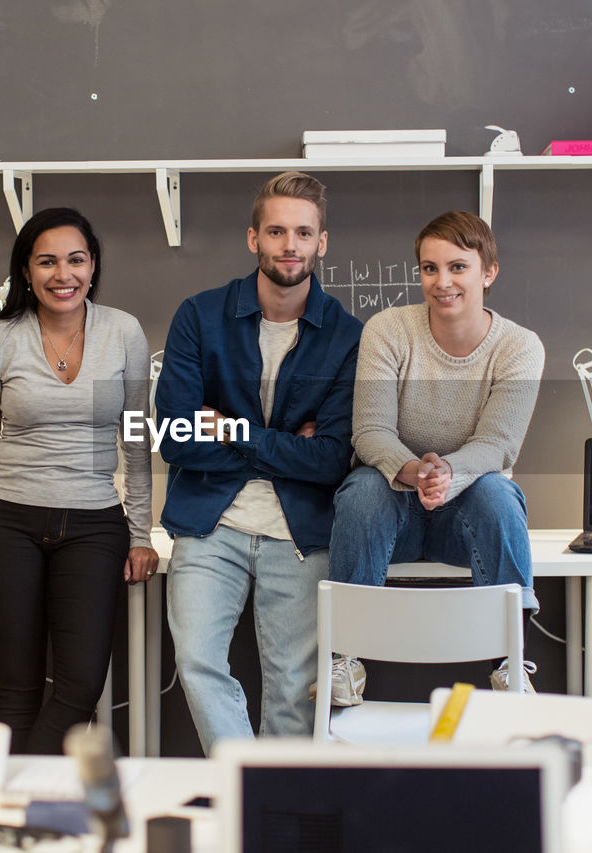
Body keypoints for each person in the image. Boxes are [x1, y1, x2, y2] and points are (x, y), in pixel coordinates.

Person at [154, 172, 363, 754]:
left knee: (295, 690)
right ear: (254, 239)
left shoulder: (348, 336)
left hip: (300, 533)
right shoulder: (199, 315)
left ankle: (280, 815)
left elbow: (331, 461)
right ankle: (246, 783)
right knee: (197, 661)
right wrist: (282, 444)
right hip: (208, 526)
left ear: (322, 242)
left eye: (302, 232)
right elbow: (174, 435)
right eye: (276, 231)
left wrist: (235, 430)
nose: (288, 244)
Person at [328, 209, 544, 698]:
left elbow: (499, 444)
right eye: (430, 268)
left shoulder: (520, 348)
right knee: (362, 485)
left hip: (466, 518)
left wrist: (447, 473)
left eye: (457, 267)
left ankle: (511, 661)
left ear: (488, 272)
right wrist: (413, 471)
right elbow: (370, 430)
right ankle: (345, 660)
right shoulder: (388, 330)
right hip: (392, 512)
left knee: (498, 491)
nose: (441, 281)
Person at [0, 207, 159, 754]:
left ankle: (7, 793)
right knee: (17, 689)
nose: (63, 274)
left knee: (79, 688)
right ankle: (12, 816)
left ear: (93, 267)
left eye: (75, 260)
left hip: (94, 523)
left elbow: (136, 437)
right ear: (26, 271)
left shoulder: (123, 332)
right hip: (5, 517)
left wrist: (141, 533)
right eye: (47, 261)